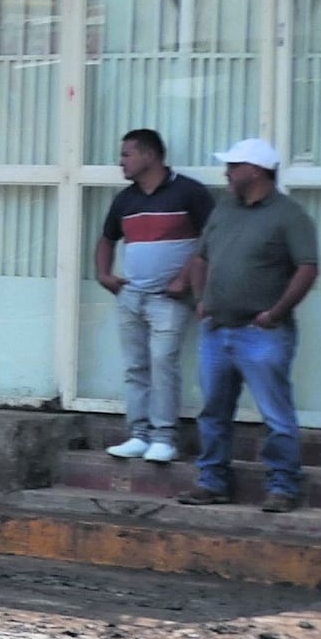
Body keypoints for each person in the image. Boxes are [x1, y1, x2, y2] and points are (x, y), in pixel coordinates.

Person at [188, 134, 320, 512]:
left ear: (257, 170)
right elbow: (201, 257)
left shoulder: (289, 215)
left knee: (276, 414)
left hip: (261, 333)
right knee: (213, 410)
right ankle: (212, 481)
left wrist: (276, 312)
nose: (226, 173)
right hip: (217, 329)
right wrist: (201, 301)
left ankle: (283, 486)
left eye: (233, 166)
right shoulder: (223, 209)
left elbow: (307, 268)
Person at [99, 127, 212, 466]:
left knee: (163, 364)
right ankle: (138, 434)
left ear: (149, 155)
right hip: (131, 295)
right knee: (136, 367)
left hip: (170, 298)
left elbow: (212, 241)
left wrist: (185, 279)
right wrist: (104, 275)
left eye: (126, 154)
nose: (121, 162)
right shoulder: (125, 199)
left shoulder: (189, 192)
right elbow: (106, 239)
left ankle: (164, 438)